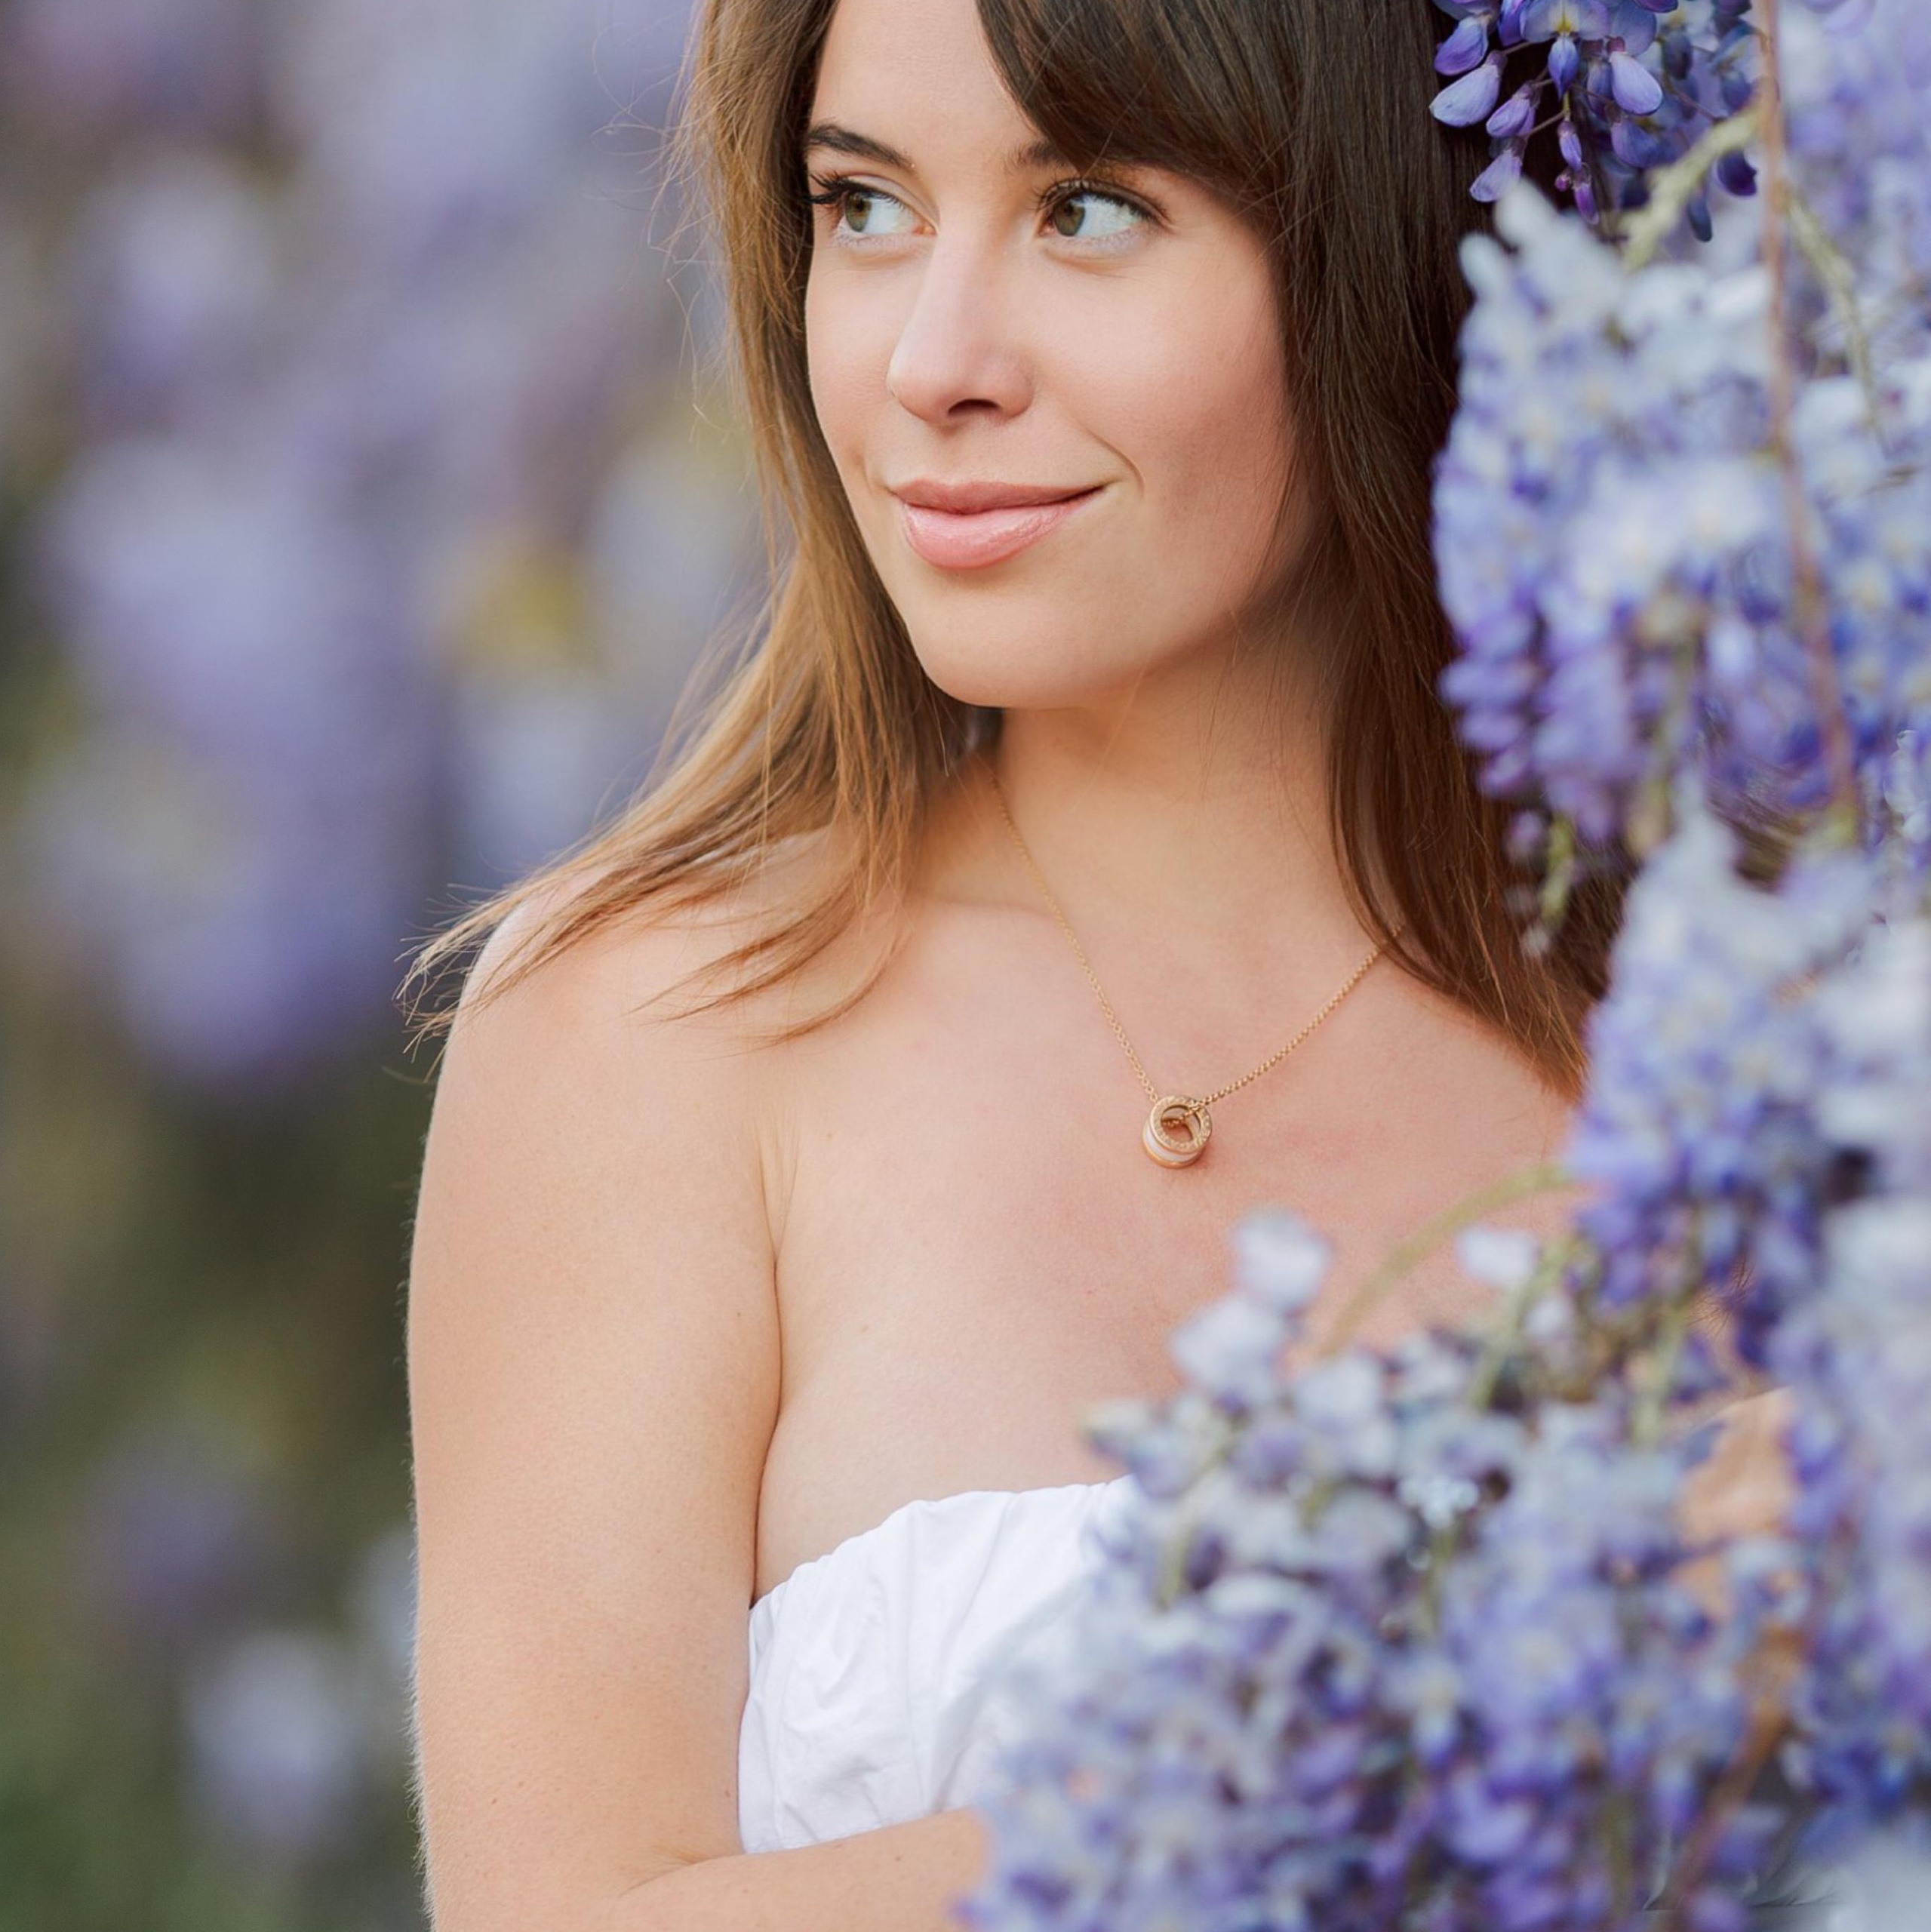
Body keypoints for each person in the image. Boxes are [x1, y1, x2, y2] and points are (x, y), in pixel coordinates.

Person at [395, 0, 1706, 1924]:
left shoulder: (1748, 1033)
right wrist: (1450, 1710)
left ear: (1392, 239)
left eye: (1087, 207)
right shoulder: (651, 1039)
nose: (929, 362)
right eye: (864, 206)